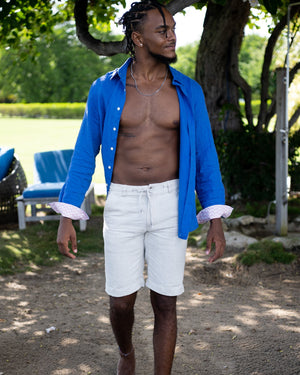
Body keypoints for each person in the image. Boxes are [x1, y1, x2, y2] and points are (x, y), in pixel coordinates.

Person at [50, 1, 232, 374]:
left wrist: (215, 216)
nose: (172, 36)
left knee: (166, 302)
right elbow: (86, 153)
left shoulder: (188, 91)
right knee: (121, 302)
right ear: (138, 37)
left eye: (173, 29)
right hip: (123, 203)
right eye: (162, 30)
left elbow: (205, 156)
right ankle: (126, 353)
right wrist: (68, 215)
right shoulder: (104, 90)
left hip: (170, 202)